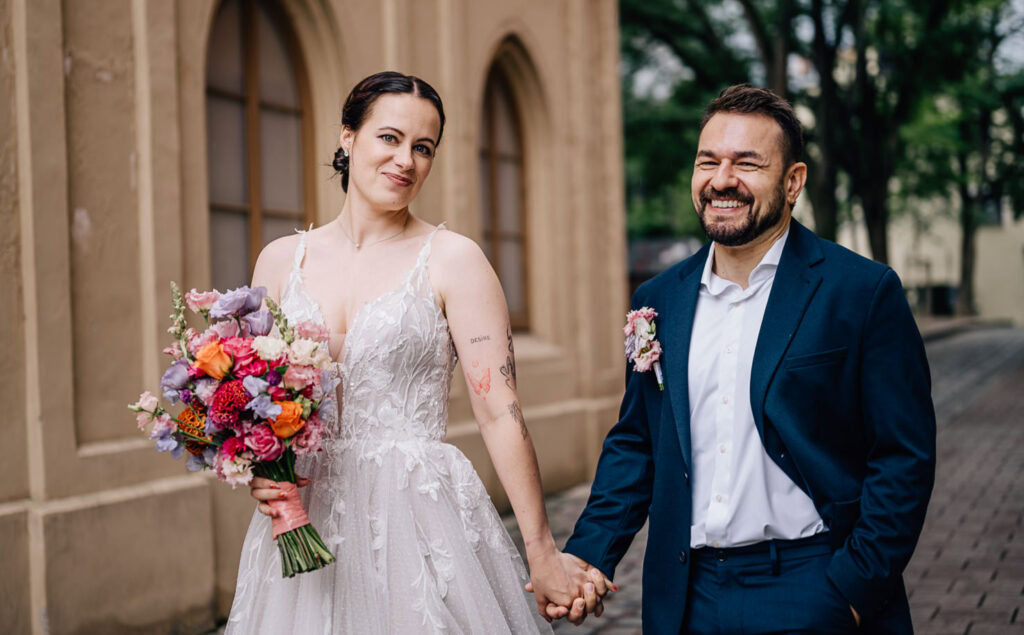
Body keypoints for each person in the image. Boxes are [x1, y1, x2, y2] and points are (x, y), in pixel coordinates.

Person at [548, 85, 937, 633]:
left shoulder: (861, 292)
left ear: (793, 181)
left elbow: (904, 455)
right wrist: (589, 555)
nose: (722, 179)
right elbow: (638, 440)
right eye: (709, 161)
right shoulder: (657, 301)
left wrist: (854, 588)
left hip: (813, 585)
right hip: (686, 597)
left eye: (747, 163)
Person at [225, 71, 601, 634]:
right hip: (304, 518)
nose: (406, 160)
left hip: (418, 518)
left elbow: (500, 411)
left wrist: (542, 550)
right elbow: (254, 399)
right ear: (348, 137)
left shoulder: (454, 260)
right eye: (390, 138)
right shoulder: (279, 261)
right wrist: (263, 471)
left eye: (423, 148)